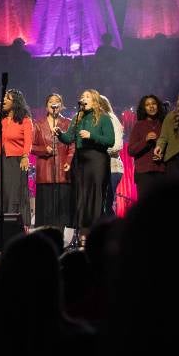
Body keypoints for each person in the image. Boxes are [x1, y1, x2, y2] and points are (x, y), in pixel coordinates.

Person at [57, 89, 114, 246]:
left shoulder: (104, 118)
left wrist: (91, 135)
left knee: (95, 198)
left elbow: (110, 140)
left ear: (95, 101)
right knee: (81, 197)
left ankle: (96, 235)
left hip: (97, 160)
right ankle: (83, 236)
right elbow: (69, 138)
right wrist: (60, 134)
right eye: (82, 96)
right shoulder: (77, 118)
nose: (84, 98)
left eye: (87, 96)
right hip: (80, 161)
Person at [31, 94, 74, 229]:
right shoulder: (38, 124)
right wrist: (44, 149)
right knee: (46, 213)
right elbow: (30, 147)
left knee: (62, 213)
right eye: (51, 101)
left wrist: (69, 161)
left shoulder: (68, 123)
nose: (54, 104)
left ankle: (60, 238)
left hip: (63, 173)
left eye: (57, 101)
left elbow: (73, 145)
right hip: (45, 174)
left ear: (61, 106)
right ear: (46, 106)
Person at [0, 89, 34, 226]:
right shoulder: (1, 120)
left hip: (17, 161)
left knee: (16, 194)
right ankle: (5, 223)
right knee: (5, 193)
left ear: (15, 102)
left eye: (8, 98)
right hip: (2, 160)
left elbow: (28, 141)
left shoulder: (25, 120)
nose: (4, 100)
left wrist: (25, 156)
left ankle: (18, 224)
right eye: (4, 98)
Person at [127, 95, 166, 197]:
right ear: (143, 108)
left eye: (153, 103)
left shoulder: (164, 124)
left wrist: (163, 155)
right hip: (143, 173)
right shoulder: (138, 125)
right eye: (147, 105)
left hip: (162, 171)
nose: (151, 106)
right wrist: (145, 141)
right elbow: (130, 150)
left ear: (158, 106)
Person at [98, 95, 125, 215]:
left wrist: (98, 152)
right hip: (99, 169)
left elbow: (117, 146)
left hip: (112, 168)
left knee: (106, 205)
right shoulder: (93, 121)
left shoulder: (111, 118)